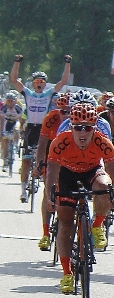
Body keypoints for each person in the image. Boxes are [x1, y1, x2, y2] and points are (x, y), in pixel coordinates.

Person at [44, 103, 114, 294]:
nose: (83, 132)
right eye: (78, 127)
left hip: (92, 172)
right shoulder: (60, 142)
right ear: (71, 127)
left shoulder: (103, 142)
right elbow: (52, 172)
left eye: (88, 127)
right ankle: (67, 273)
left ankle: (96, 225)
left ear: (94, 128)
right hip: (67, 175)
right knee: (66, 222)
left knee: (104, 186)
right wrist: (49, 196)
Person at [10, 54, 71, 202]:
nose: (39, 84)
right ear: (32, 83)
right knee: (26, 160)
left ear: (45, 84)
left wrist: (67, 63)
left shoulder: (49, 94)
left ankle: (47, 186)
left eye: (42, 82)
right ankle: (24, 190)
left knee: (46, 161)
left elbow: (63, 81)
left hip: (44, 130)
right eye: (37, 81)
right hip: (31, 128)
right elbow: (13, 80)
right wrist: (17, 63)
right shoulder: (28, 94)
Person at [32, 93, 72, 250]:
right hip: (52, 152)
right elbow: (42, 144)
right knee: (48, 191)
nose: (67, 115)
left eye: (69, 111)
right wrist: (39, 163)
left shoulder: (78, 123)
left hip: (69, 155)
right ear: (58, 109)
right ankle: (46, 233)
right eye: (63, 111)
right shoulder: (51, 118)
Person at [1, 92, 23, 171]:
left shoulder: (17, 107)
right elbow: (2, 119)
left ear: (15, 101)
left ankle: (16, 144)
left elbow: (21, 118)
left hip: (15, 122)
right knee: (5, 141)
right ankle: (5, 161)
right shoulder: (4, 108)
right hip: (7, 123)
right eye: (8, 101)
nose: (10, 102)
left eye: (12, 101)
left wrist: (22, 128)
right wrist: (1, 131)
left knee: (16, 130)